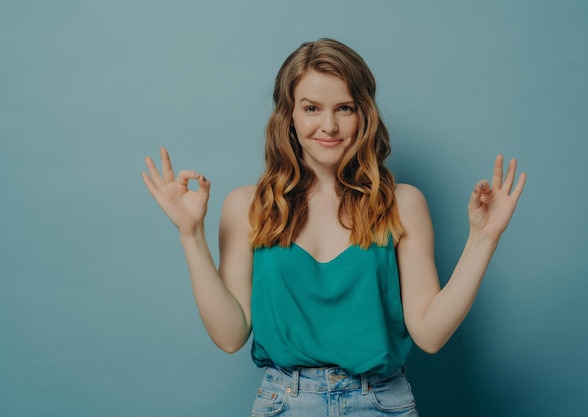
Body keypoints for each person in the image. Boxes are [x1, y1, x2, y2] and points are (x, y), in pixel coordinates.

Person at [142, 38, 526, 417]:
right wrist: (191, 234)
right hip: (284, 404)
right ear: (288, 115)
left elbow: (429, 333)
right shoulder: (247, 206)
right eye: (312, 108)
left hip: (381, 403)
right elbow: (229, 337)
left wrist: (483, 238)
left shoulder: (403, 203)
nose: (329, 125)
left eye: (345, 108)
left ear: (364, 114)